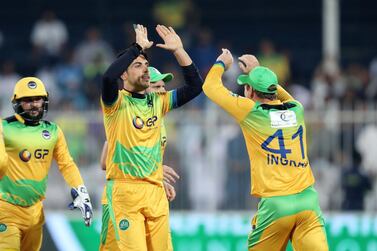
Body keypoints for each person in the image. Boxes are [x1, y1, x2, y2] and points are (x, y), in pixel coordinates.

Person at [203, 49, 328, 250]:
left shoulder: (250, 111)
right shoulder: (296, 109)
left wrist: (221, 63)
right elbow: (280, 94)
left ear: (250, 91)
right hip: (308, 202)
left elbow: (210, 87)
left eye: (246, 87)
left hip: (276, 205)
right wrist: (260, 72)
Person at [99, 24, 203, 250]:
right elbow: (107, 78)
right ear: (123, 74)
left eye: (147, 64)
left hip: (155, 192)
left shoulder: (158, 102)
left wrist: (179, 51)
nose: (145, 69)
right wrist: (137, 48)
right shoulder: (115, 104)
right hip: (126, 192)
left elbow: (196, 87)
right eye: (138, 65)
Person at [0, 77, 93, 250]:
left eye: (37, 99)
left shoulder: (53, 130)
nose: (34, 104)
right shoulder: (4, 127)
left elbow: (67, 164)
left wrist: (81, 190)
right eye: (28, 100)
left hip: (36, 213)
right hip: (6, 210)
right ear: (17, 102)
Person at [99, 66, 180, 201]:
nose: (163, 91)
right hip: (124, 197)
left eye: (163, 86)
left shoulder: (158, 119)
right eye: (156, 87)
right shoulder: (129, 115)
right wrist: (154, 171)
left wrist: (158, 181)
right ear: (144, 88)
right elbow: (105, 162)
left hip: (147, 193)